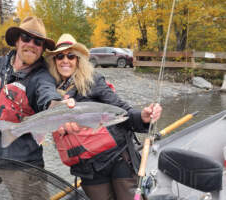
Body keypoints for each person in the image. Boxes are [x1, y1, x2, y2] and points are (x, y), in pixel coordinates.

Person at [0, 16, 73, 199]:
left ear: (43, 48)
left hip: (24, 159)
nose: (31, 44)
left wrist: (57, 107)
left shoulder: (43, 77)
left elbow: (47, 95)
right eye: (26, 38)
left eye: (38, 42)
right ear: (17, 41)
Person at [46, 33, 162, 200]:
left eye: (71, 55)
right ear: (54, 61)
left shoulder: (93, 80)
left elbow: (121, 110)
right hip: (87, 169)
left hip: (116, 158)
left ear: (78, 59)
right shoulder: (48, 89)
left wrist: (143, 117)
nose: (65, 60)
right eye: (60, 56)